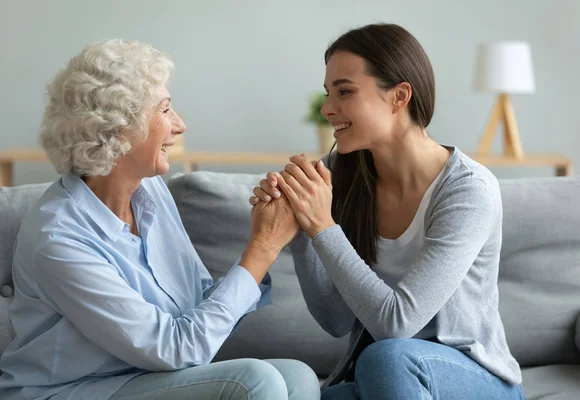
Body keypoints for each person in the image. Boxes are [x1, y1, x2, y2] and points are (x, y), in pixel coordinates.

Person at [0, 39, 320, 400]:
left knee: (298, 377)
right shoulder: (58, 238)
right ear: (119, 128)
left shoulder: (150, 192)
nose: (180, 125)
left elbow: (198, 306)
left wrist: (267, 227)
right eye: (165, 110)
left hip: (141, 379)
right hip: (71, 392)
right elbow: (177, 349)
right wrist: (262, 247)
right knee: (254, 380)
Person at [251, 23, 525, 400]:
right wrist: (299, 227)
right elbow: (335, 321)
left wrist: (322, 225)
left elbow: (398, 326)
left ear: (399, 96)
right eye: (328, 93)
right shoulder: (342, 176)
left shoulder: (467, 190)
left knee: (387, 358)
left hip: (473, 379)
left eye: (344, 91)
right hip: (388, 378)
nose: (328, 109)